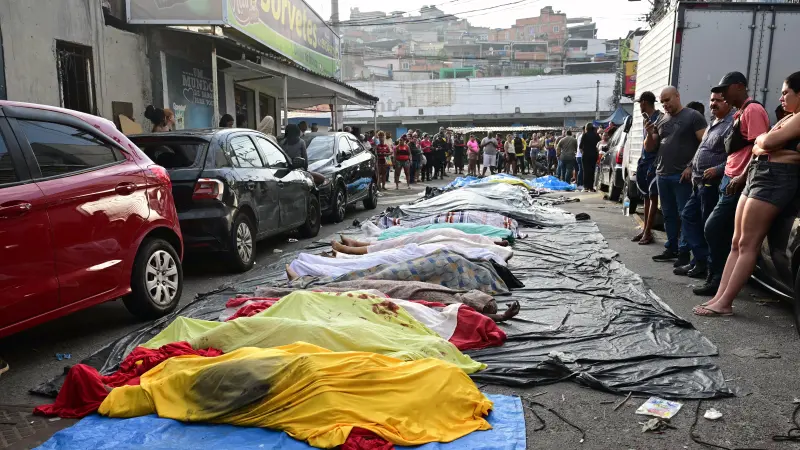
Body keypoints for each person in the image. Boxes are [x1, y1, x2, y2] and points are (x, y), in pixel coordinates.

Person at [693, 71, 772, 298]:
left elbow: (760, 150)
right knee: (724, 232)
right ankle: (718, 280)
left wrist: (741, 177)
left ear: (739, 86)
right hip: (728, 178)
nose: (723, 95)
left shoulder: (753, 110)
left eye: (725, 90)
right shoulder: (741, 111)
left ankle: (718, 279)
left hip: (737, 181)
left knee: (713, 228)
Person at [673, 91, 734, 279]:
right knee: (689, 217)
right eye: (712, 100)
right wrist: (691, 166)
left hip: (713, 184)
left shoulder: (732, 124)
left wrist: (718, 169)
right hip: (698, 182)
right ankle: (700, 260)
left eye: (718, 100)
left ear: (728, 101)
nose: (713, 103)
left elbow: (736, 156)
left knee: (708, 226)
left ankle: (707, 266)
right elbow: (702, 149)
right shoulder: (714, 123)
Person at [646, 86, 708, 266]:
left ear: (677, 96)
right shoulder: (661, 119)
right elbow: (650, 147)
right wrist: (649, 133)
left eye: (667, 100)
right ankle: (671, 247)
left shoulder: (693, 116)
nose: (665, 105)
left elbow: (705, 144)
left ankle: (684, 252)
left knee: (685, 215)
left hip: (682, 176)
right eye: (662, 102)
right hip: (662, 174)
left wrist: (691, 166)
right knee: (668, 214)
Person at [632, 92, 663, 245]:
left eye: (640, 103)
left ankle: (648, 232)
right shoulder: (648, 119)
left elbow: (652, 145)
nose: (639, 106)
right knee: (646, 197)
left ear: (644, 103)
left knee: (652, 197)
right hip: (645, 162)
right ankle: (645, 229)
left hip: (654, 163)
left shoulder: (658, 119)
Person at [580, 124, 601, 191]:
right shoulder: (596, 135)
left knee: (586, 171)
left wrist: (583, 153)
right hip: (594, 155)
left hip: (585, 155)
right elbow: (599, 145)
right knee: (592, 171)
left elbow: (580, 146)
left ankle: (586, 186)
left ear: (586, 128)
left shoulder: (585, 135)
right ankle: (591, 187)